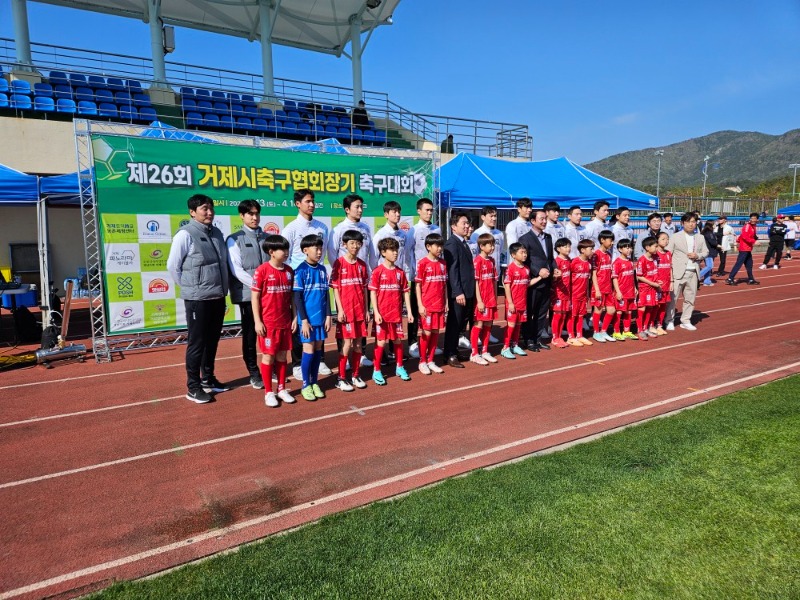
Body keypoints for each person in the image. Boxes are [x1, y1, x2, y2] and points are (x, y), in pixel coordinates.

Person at [167, 194, 230, 404]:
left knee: (212, 341)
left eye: (211, 208)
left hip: (217, 296)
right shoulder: (185, 235)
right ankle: (193, 387)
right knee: (197, 343)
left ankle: (208, 379)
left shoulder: (217, 233)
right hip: (198, 299)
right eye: (204, 208)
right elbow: (173, 266)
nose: (209, 212)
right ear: (192, 212)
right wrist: (190, 288)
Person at [283, 188, 331, 381]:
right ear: (298, 203)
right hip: (299, 282)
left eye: (313, 201)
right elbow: (284, 257)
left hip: (316, 281)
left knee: (319, 319)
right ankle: (296, 362)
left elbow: (325, 251)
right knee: (299, 321)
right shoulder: (291, 228)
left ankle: (320, 360)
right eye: (308, 201)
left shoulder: (322, 227)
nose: (311, 205)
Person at [326, 193, 375, 370]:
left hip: (361, 280)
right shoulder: (338, 229)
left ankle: (360, 354)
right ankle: (344, 357)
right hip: (345, 283)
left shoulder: (366, 228)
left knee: (362, 319)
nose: (360, 210)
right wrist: (342, 271)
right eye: (357, 207)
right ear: (347, 209)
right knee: (345, 321)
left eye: (362, 206)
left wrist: (372, 272)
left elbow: (370, 252)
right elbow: (332, 253)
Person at [226, 200, 268, 390]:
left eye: (257, 213)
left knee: (271, 332)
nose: (254, 217)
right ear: (241, 216)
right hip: (247, 296)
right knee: (251, 335)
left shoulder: (268, 238)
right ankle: (253, 372)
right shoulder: (234, 239)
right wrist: (258, 285)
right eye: (250, 214)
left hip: (269, 296)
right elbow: (236, 270)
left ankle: (271, 366)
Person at [251, 235, 296, 408]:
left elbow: (292, 297)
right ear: (271, 252)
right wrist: (257, 321)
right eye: (282, 250)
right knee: (268, 357)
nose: (286, 252)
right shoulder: (262, 270)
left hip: (285, 322)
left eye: (287, 249)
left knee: (283, 355)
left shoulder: (289, 271)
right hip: (268, 323)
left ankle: (282, 389)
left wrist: (294, 317)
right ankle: (268, 392)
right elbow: (255, 297)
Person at [330, 229, 370, 392]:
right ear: (344, 244)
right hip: (346, 312)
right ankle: (340, 378)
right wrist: (339, 310)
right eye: (352, 243)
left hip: (360, 311)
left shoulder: (362, 265)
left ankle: (355, 375)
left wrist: (367, 310)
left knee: (359, 344)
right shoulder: (339, 263)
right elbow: (336, 289)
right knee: (347, 344)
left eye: (358, 243)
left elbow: (365, 289)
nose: (355, 246)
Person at [369, 237, 413, 385]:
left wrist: (410, 312)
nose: (395, 253)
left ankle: (399, 367)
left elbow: (405, 292)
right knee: (381, 343)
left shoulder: (400, 273)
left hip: (396, 315)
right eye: (392, 250)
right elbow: (373, 293)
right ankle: (376, 370)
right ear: (383, 252)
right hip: (382, 315)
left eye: (396, 250)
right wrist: (376, 312)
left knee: (398, 341)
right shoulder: (377, 272)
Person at [293, 235, 332, 401]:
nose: (318, 251)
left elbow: (326, 294)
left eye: (320, 248)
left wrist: (329, 315)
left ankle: (314, 382)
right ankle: (305, 385)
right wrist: (304, 320)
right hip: (307, 320)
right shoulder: (300, 270)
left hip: (321, 319)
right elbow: (297, 298)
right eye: (315, 248)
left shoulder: (323, 270)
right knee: (308, 351)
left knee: (317, 350)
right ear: (305, 250)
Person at [518, 209, 557, 351]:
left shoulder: (548, 237)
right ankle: (528, 340)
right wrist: (537, 271)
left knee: (542, 312)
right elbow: (525, 260)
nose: (544, 221)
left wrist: (555, 269)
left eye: (545, 218)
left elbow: (550, 258)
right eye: (541, 219)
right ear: (533, 221)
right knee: (530, 311)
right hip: (534, 281)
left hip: (547, 280)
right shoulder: (525, 239)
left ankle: (538, 338)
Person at [408, 198, 441, 359]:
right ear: (418, 211)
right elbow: (408, 253)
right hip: (419, 278)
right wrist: (413, 272)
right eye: (426, 210)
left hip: (434, 278)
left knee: (434, 310)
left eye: (431, 210)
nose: (429, 213)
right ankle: (413, 342)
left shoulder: (437, 229)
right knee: (416, 310)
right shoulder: (413, 231)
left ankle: (430, 344)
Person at [666, 213, 709, 330]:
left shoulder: (700, 237)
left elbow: (706, 252)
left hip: (693, 272)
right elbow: (668, 253)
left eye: (694, 222)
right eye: (689, 222)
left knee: (690, 298)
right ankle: (669, 320)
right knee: (672, 299)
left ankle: (685, 320)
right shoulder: (675, 237)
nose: (691, 224)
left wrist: (698, 255)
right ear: (682, 223)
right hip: (678, 272)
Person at [443, 212, 475, 368]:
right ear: (453, 226)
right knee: (454, 324)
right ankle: (450, 354)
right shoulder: (452, 244)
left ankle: (453, 350)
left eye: (467, 223)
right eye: (464, 223)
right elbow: (452, 270)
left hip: (467, 289)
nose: (467, 226)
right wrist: (457, 292)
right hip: (459, 292)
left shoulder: (463, 242)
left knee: (460, 323)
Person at [470, 206, 504, 345]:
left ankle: (486, 336)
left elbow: (499, 251)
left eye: (495, 216)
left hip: (492, 276)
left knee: (490, 311)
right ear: (483, 217)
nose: (494, 218)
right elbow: (475, 253)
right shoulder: (476, 234)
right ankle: (475, 338)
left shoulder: (499, 234)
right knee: (479, 311)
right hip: (480, 277)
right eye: (491, 216)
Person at [415, 232, 448, 375]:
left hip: (440, 304)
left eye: (441, 246)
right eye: (437, 246)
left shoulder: (443, 263)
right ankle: (422, 361)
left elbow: (445, 285)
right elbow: (417, 286)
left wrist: (446, 302)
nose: (440, 249)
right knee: (426, 333)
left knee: (436, 332)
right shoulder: (422, 263)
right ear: (428, 246)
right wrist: (420, 305)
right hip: (427, 305)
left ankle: (430, 360)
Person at [501, 243, 541, 358]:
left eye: (525, 252)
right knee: (511, 325)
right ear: (513, 255)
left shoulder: (526, 269)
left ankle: (515, 345)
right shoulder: (510, 269)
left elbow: (528, 283)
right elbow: (507, 286)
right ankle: (505, 347)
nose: (524, 255)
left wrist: (539, 278)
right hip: (513, 303)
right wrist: (511, 303)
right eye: (521, 252)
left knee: (518, 325)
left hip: (522, 303)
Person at [470, 233, 499, 365]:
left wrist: (494, 296)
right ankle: (474, 353)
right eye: (489, 245)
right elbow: (475, 282)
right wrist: (479, 300)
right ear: (481, 246)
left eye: (493, 244)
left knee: (488, 324)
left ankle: (485, 351)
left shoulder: (492, 261)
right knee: (479, 324)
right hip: (481, 299)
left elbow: (494, 280)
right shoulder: (477, 261)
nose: (492, 247)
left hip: (490, 298)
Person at [590, 230, 617, 343]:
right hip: (599, 288)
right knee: (598, 310)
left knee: (611, 310)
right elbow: (593, 274)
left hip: (608, 288)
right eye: (610, 240)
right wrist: (596, 289)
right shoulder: (596, 254)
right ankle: (596, 332)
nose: (612, 243)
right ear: (602, 240)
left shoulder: (609, 254)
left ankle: (603, 331)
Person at [568, 239, 594, 346]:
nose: (593, 251)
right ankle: (571, 336)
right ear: (582, 250)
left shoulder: (588, 264)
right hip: (574, 295)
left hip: (583, 295)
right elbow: (568, 278)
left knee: (580, 315)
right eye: (591, 249)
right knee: (573, 316)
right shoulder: (574, 262)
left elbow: (587, 281)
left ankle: (579, 335)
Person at [635, 237, 663, 340]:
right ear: (647, 247)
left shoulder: (655, 257)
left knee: (650, 307)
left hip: (653, 288)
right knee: (642, 308)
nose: (657, 248)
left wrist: (657, 282)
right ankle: (639, 330)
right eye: (655, 246)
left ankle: (646, 328)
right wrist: (652, 283)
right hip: (644, 288)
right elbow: (639, 276)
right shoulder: (642, 260)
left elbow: (655, 272)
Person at [610, 239, 637, 341]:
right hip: (621, 292)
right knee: (619, 312)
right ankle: (616, 332)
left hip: (630, 291)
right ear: (620, 249)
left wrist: (634, 287)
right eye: (626, 247)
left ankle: (626, 331)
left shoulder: (630, 262)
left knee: (628, 311)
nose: (629, 249)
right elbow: (615, 278)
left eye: (630, 247)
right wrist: (618, 291)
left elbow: (631, 277)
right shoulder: (617, 262)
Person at [725, 213, 759, 286]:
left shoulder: (753, 226)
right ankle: (730, 278)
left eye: (754, 218)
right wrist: (754, 241)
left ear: (757, 219)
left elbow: (743, 236)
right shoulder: (747, 226)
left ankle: (751, 279)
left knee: (749, 264)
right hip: (744, 248)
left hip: (748, 248)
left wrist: (755, 238)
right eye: (751, 218)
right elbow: (745, 236)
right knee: (739, 263)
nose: (752, 219)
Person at [550, 237, 572, 348]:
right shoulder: (556, 261)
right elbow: (552, 278)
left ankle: (559, 337)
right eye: (565, 246)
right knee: (557, 315)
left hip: (567, 293)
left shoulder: (569, 260)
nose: (568, 248)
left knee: (563, 315)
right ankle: (554, 338)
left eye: (569, 246)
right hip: (558, 293)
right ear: (558, 248)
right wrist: (554, 277)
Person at [653, 232, 673, 335]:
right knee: (656, 305)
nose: (666, 241)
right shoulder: (655, 254)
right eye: (663, 239)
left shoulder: (669, 253)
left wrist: (672, 281)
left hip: (666, 283)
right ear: (657, 240)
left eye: (667, 239)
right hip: (657, 285)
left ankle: (659, 325)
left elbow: (670, 268)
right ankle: (651, 325)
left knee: (663, 306)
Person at [699, 221, 719, 286]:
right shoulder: (709, 233)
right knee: (709, 266)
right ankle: (698, 275)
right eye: (714, 224)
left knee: (708, 266)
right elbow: (713, 242)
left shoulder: (705, 232)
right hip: (708, 252)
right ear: (711, 225)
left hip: (707, 251)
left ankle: (707, 281)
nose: (715, 225)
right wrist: (719, 245)